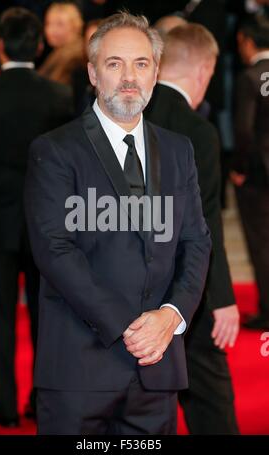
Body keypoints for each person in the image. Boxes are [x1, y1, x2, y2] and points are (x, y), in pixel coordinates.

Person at [25, 11, 211, 435]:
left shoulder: (179, 150)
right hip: (79, 373)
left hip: (156, 372)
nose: (130, 77)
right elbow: (55, 250)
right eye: (115, 64)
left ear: (156, 72)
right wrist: (131, 328)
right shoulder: (54, 151)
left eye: (141, 64)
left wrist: (171, 315)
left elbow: (197, 242)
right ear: (93, 72)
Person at [0, 7, 73, 427]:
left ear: (0, 46)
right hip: (45, 223)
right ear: (37, 46)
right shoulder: (58, 96)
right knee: (47, 317)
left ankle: (5, 407)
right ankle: (43, 401)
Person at [145, 23, 240, 434]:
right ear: (204, 70)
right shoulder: (198, 130)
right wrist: (221, 298)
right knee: (210, 401)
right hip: (187, 288)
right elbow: (205, 223)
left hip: (127, 286)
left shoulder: (125, 114)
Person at [231, 15, 269, 330]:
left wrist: (239, 168)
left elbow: (243, 130)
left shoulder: (249, 78)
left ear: (246, 40)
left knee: (261, 242)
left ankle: (268, 310)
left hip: (259, 174)